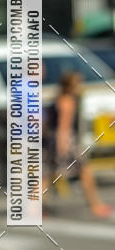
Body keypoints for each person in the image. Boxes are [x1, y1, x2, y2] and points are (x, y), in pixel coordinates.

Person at [47, 70, 112, 218]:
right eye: (78, 84)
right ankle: (96, 206)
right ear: (70, 86)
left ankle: (33, 209)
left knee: (49, 175)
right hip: (67, 142)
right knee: (85, 172)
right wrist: (62, 148)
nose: (80, 86)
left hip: (55, 141)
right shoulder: (68, 101)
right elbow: (64, 127)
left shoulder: (58, 99)